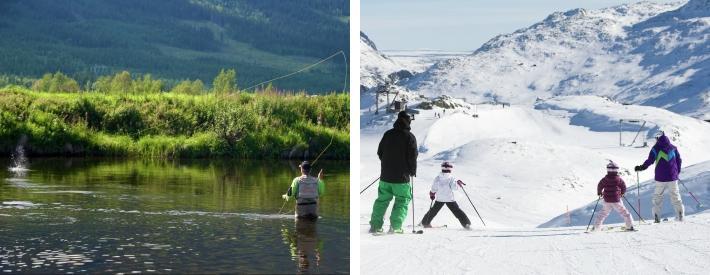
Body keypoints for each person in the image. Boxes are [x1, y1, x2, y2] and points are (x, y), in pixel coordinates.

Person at [369, 111, 418, 234]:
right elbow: (413, 156)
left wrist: (387, 165)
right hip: (401, 178)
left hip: (385, 176)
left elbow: (380, 152)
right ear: (408, 121)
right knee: (402, 200)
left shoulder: (388, 134)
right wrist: (412, 171)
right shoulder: (410, 137)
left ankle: (375, 226)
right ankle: (395, 227)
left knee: (382, 200)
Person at [634, 131, 684, 222]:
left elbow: (650, 161)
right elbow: (679, 160)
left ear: (658, 138)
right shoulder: (673, 148)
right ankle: (680, 215)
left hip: (660, 178)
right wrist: (677, 172)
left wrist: (642, 167)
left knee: (658, 197)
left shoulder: (656, 148)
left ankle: (657, 217)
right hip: (673, 177)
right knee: (675, 196)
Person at [420, 162, 471, 229]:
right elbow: (454, 188)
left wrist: (432, 194)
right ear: (450, 169)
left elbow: (434, 188)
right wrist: (457, 183)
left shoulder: (438, 178)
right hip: (449, 199)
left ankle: (425, 223)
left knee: (433, 211)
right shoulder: (451, 178)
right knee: (457, 211)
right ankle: (466, 224)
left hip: (440, 198)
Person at [592, 161, 634, 231]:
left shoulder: (604, 179)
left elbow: (600, 185)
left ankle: (596, 227)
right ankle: (629, 226)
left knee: (603, 213)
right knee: (624, 212)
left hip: (607, 200)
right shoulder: (619, 179)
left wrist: (599, 192)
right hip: (616, 200)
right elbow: (623, 186)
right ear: (617, 170)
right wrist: (622, 193)